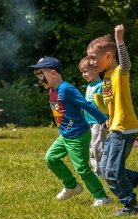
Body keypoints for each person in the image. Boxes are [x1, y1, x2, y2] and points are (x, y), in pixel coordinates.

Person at [87, 24, 138, 216]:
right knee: (104, 168)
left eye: (94, 57)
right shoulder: (107, 78)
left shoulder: (119, 71)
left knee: (114, 170)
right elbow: (112, 102)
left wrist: (119, 40)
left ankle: (131, 206)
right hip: (115, 128)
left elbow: (126, 64)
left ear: (109, 55)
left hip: (125, 128)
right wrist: (108, 118)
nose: (90, 61)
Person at [28, 56, 110, 207]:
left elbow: (86, 104)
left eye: (41, 75)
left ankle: (101, 196)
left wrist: (103, 119)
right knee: (51, 158)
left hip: (78, 135)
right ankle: (72, 186)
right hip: (65, 135)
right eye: (37, 76)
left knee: (82, 169)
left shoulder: (66, 89)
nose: (39, 79)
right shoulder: (53, 89)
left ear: (53, 73)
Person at [79, 56, 107, 176]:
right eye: (82, 72)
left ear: (95, 69)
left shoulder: (101, 85)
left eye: (85, 71)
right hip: (88, 121)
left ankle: (104, 169)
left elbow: (105, 103)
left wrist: (107, 118)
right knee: (90, 147)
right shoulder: (89, 86)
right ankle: (97, 170)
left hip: (98, 121)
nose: (83, 75)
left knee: (98, 147)